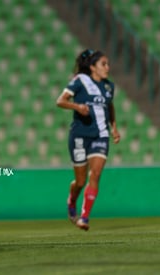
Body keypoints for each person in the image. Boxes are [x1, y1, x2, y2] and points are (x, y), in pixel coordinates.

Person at [56, 49, 120, 231]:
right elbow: (60, 101)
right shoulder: (80, 81)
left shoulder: (109, 87)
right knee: (80, 181)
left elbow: (110, 107)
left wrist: (114, 127)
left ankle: (84, 217)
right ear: (92, 67)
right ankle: (72, 200)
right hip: (79, 135)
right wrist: (77, 106)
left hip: (101, 134)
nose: (107, 67)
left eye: (108, 64)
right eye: (103, 64)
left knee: (96, 174)